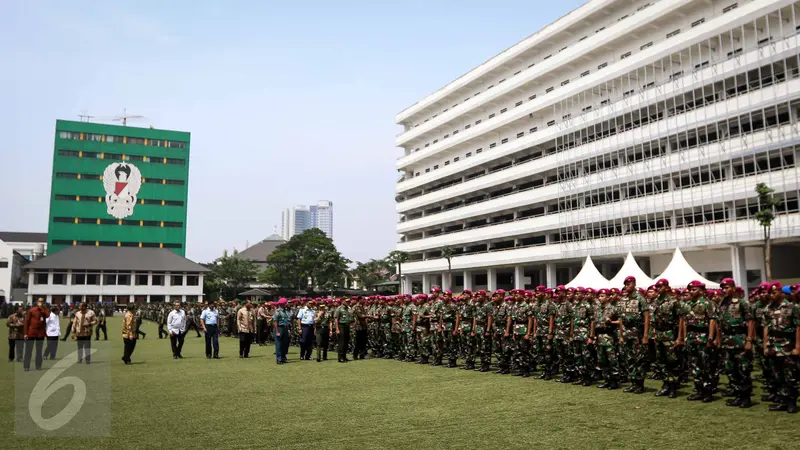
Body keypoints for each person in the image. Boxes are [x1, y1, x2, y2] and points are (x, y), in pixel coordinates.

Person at [24, 297, 51, 371]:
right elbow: (27, 322)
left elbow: (48, 315)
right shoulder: (31, 310)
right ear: (37, 301)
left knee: (39, 350)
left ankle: (38, 365)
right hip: (31, 332)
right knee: (28, 350)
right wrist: (25, 333)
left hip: (40, 333)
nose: (41, 302)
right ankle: (26, 366)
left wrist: (43, 308)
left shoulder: (45, 310)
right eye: (39, 301)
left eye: (42, 301)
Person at [334, 297, 353, 363]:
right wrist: (337, 329)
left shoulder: (349, 309)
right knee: (341, 343)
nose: (348, 302)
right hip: (341, 326)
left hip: (347, 326)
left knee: (346, 342)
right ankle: (340, 357)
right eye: (347, 301)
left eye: (349, 301)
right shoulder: (339, 309)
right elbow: (336, 319)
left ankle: (344, 356)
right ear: (342, 301)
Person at [273, 298, 291, 364]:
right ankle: (279, 359)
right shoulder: (277, 311)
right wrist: (277, 331)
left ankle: (283, 357)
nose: (287, 304)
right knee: (279, 344)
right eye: (286, 303)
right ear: (283, 304)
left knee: (285, 344)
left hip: (285, 328)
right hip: (279, 328)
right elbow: (275, 322)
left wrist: (288, 329)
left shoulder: (285, 311)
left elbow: (287, 321)